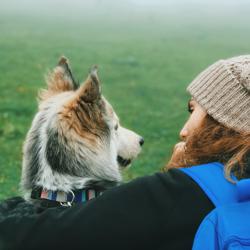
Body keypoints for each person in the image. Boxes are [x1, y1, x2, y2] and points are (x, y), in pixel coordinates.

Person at [0, 55, 249, 250]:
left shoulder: (186, 192)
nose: (183, 132)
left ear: (224, 119)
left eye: (192, 109)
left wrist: (179, 177)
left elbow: (34, 238)